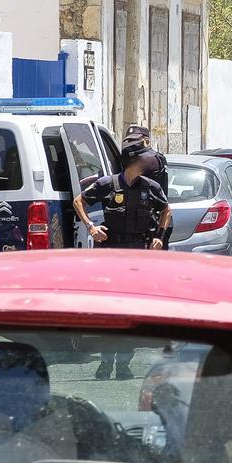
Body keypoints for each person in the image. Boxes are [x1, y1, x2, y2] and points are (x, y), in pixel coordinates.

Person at [73, 138, 171, 380]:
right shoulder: (108, 184)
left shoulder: (150, 187)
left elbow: (166, 211)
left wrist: (159, 236)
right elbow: (79, 201)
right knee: (108, 310)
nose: (149, 161)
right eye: (144, 158)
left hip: (137, 254)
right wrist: (91, 227)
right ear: (133, 160)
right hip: (110, 255)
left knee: (131, 311)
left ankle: (124, 364)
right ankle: (106, 363)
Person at [123, 125, 171, 247]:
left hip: (153, 220)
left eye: (135, 140)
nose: (131, 143)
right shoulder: (157, 157)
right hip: (156, 216)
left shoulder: (147, 159)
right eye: (129, 140)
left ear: (145, 140)